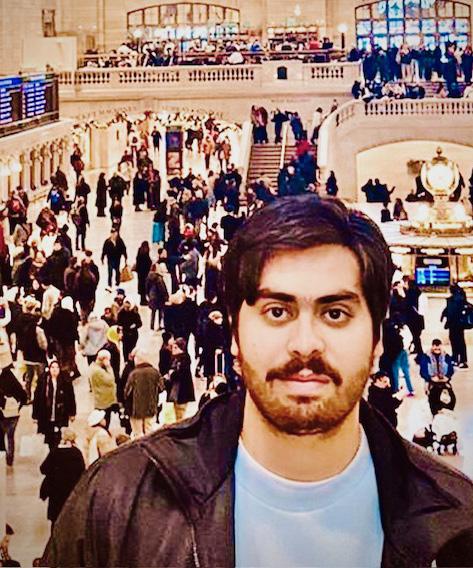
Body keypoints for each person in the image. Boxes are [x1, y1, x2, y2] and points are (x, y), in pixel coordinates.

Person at [46, 195, 473, 567]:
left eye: (335, 313)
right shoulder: (118, 503)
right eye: (277, 312)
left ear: (377, 340)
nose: (305, 345)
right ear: (234, 334)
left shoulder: (457, 526)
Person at [40, 428, 85, 525]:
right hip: (71, 491)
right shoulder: (77, 453)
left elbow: (43, 469)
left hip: (55, 491)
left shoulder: (55, 452)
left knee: (55, 519)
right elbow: (82, 471)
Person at [32, 360, 76, 448]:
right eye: (52, 367)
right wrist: (35, 415)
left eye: (57, 367)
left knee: (59, 436)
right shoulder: (43, 381)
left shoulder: (65, 381)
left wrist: (72, 413)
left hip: (61, 414)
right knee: (49, 437)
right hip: (47, 415)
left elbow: (71, 397)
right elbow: (37, 399)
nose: (54, 370)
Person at [124, 349, 164, 438]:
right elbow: (161, 387)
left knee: (137, 433)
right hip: (151, 407)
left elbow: (127, 392)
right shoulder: (155, 372)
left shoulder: (134, 374)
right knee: (149, 431)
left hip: (136, 409)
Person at [0, 367, 27, 466]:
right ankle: (9, 456)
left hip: (11, 413)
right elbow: (23, 396)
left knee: (9, 435)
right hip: (10, 413)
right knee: (9, 436)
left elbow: (23, 395)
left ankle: (9, 456)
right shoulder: (9, 376)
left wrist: (17, 406)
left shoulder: (8, 376)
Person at [89, 350, 118, 428]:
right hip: (103, 402)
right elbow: (111, 380)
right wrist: (108, 367)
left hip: (103, 400)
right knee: (104, 423)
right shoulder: (98, 371)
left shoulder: (94, 367)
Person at [441, 284, 468, 368]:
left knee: (456, 341)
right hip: (458, 324)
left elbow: (451, 311)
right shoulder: (460, 298)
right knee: (459, 341)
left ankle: (457, 359)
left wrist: (445, 318)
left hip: (455, 324)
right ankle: (460, 359)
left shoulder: (455, 299)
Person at [135, 241, 152, 306]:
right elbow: (148, 262)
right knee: (145, 287)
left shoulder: (140, 252)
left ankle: (143, 300)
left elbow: (138, 261)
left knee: (142, 287)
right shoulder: (146, 253)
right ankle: (144, 301)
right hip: (145, 273)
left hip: (140, 273)